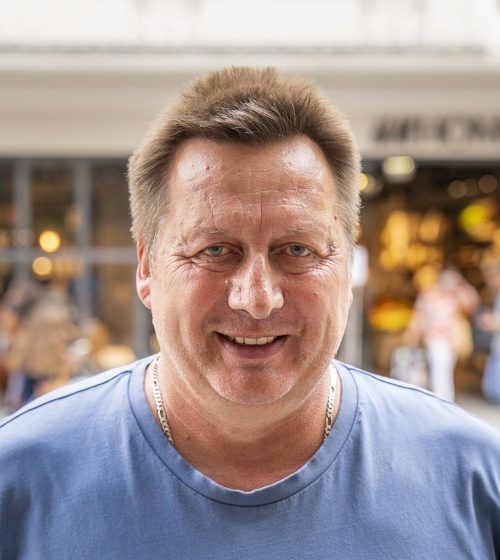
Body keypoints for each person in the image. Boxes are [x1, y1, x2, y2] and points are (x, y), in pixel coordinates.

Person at [0, 67, 498, 559]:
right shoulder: (21, 477)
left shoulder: (473, 476)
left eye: (298, 250)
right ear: (147, 266)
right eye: (215, 250)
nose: (257, 299)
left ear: (348, 266)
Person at [403, 267, 479, 401]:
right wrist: (412, 334)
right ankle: (443, 401)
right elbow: (419, 316)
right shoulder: (430, 294)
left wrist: (461, 284)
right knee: (439, 371)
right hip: (435, 339)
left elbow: (473, 303)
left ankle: (442, 400)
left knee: (443, 371)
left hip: (452, 341)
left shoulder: (455, 295)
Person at [479, 256, 500, 404]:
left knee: (493, 389)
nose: (488, 282)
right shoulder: (497, 294)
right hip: (496, 347)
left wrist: (491, 322)